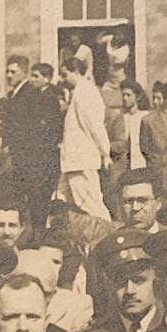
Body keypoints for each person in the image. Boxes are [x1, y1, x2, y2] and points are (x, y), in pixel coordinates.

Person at [0, 56, 63, 230]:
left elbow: (34, 127)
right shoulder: (15, 94)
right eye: (7, 72)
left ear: (23, 73)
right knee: (24, 196)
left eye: (13, 72)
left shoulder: (31, 93)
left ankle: (36, 233)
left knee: (36, 198)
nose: (9, 75)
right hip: (21, 156)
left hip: (32, 157)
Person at [58, 62, 112, 222]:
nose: (63, 79)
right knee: (61, 200)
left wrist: (105, 152)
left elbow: (94, 125)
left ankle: (106, 232)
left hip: (81, 160)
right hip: (72, 161)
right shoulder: (80, 91)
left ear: (75, 71)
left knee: (90, 204)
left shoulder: (86, 92)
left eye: (65, 74)